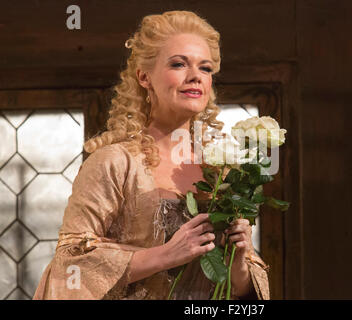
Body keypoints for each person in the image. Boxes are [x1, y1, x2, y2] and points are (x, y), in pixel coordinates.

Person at [33, 10, 270, 300]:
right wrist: (166, 255)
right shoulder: (114, 163)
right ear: (144, 77)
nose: (195, 76)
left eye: (205, 68)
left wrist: (240, 262)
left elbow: (240, 292)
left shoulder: (221, 168)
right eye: (179, 64)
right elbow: (69, 263)